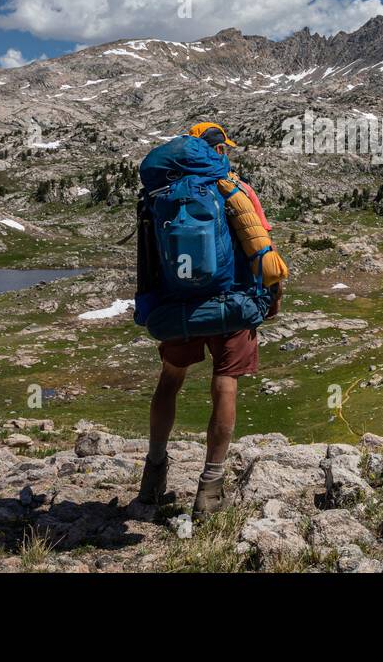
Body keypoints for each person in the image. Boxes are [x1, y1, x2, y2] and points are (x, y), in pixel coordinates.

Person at [137, 122, 283, 517]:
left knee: (169, 383)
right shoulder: (233, 189)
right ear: (217, 150)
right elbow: (261, 245)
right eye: (224, 148)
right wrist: (270, 297)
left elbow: (149, 258)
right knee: (225, 384)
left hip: (177, 305)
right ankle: (209, 491)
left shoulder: (159, 195)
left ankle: (153, 477)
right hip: (230, 303)